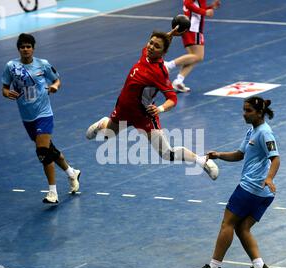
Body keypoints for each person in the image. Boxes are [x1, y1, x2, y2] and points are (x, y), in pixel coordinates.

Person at [86, 29, 219, 180]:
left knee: (166, 154)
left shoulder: (160, 73)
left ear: (163, 52)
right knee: (105, 136)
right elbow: (158, 43)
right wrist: (169, 34)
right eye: (150, 43)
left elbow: (172, 99)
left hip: (144, 116)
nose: (150, 47)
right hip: (123, 109)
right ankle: (102, 123)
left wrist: (160, 108)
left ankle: (201, 160)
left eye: (156, 46)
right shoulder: (146, 53)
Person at [190, 96, 280, 268]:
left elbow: (276, 158)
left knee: (227, 224)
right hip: (264, 194)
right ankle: (259, 267)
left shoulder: (265, 133)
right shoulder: (252, 131)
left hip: (252, 188)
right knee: (242, 228)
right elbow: (240, 154)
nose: (244, 113)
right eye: (244, 109)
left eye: (248, 110)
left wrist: (269, 178)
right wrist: (219, 155)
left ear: (259, 113)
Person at [2, 33, 81, 204]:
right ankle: (71, 173)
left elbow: (57, 80)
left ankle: (52, 192)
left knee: (42, 152)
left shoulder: (43, 65)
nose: (25, 49)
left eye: (28, 46)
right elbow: (4, 88)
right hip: (26, 116)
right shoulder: (11, 67)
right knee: (49, 150)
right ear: (18, 49)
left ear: (33, 48)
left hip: (44, 114)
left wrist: (54, 86)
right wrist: (8, 94)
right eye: (22, 47)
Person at [165, 0, 221, 93]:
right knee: (198, 56)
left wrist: (210, 7)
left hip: (191, 27)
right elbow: (188, 3)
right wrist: (205, 12)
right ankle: (168, 65)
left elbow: (195, 7)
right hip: (193, 28)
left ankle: (179, 81)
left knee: (194, 57)